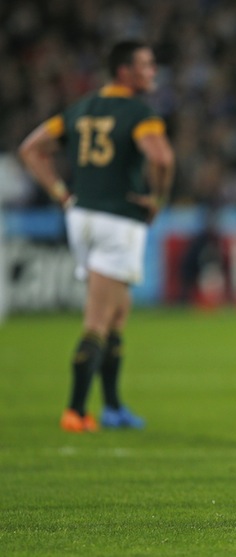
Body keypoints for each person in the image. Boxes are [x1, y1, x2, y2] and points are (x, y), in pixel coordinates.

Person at [18, 39, 175, 432]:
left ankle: (113, 407)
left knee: (117, 314)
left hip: (82, 215)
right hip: (117, 220)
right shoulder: (139, 113)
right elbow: (161, 157)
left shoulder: (80, 108)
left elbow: (32, 149)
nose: (152, 71)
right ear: (124, 71)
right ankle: (74, 412)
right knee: (99, 319)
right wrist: (157, 198)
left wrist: (61, 194)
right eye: (145, 65)